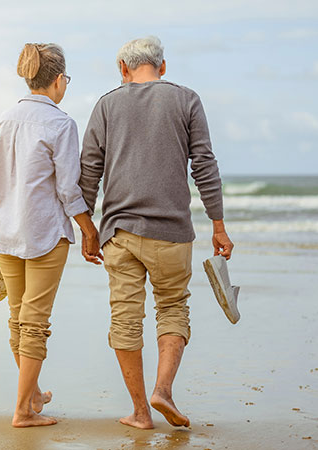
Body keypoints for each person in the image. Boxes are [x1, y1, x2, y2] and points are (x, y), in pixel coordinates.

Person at [79, 36, 234, 429]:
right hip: (172, 233)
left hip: (120, 232)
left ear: (123, 70)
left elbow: (88, 172)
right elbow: (204, 165)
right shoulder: (186, 100)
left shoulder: (107, 104)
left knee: (126, 320)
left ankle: (140, 412)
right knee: (172, 308)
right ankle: (162, 390)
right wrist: (218, 224)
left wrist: (86, 229)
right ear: (163, 67)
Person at [0, 42, 102, 428]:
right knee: (34, 323)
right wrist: (87, 229)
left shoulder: (2, 120)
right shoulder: (61, 123)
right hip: (45, 233)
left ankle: (31, 396)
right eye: (65, 78)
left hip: (5, 233)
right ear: (57, 80)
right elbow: (69, 188)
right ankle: (21, 411)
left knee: (18, 319)